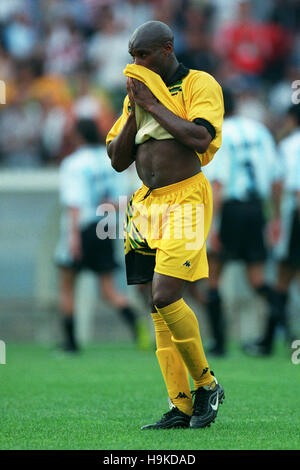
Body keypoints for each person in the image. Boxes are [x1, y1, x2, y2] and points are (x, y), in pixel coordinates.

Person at [106, 20, 224, 430]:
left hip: (186, 199)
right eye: (131, 57)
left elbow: (199, 138)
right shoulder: (134, 95)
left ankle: (207, 385)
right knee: (155, 306)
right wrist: (137, 112)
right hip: (145, 205)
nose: (135, 64)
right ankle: (181, 404)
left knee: (166, 293)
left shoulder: (199, 84)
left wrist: (153, 105)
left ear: (167, 50)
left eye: (143, 55)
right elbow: (118, 159)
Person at [55, 118, 148, 353]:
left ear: (77, 135)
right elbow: (128, 197)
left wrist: (73, 239)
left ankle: (70, 343)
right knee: (109, 290)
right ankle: (138, 327)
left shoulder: (73, 163)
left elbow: (74, 204)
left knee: (67, 285)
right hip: (106, 227)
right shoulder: (112, 160)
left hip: (84, 226)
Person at [202, 88, 282, 356]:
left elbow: (218, 184)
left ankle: (220, 343)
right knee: (258, 279)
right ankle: (271, 337)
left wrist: (213, 226)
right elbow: (276, 179)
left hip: (231, 211)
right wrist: (275, 217)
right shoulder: (259, 131)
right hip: (256, 208)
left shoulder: (218, 134)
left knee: (213, 277)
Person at [245, 104, 300, 356]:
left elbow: (286, 185)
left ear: (291, 119)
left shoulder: (291, 146)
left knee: (282, 279)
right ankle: (271, 338)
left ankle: (267, 342)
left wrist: (277, 218)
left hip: (295, 218)